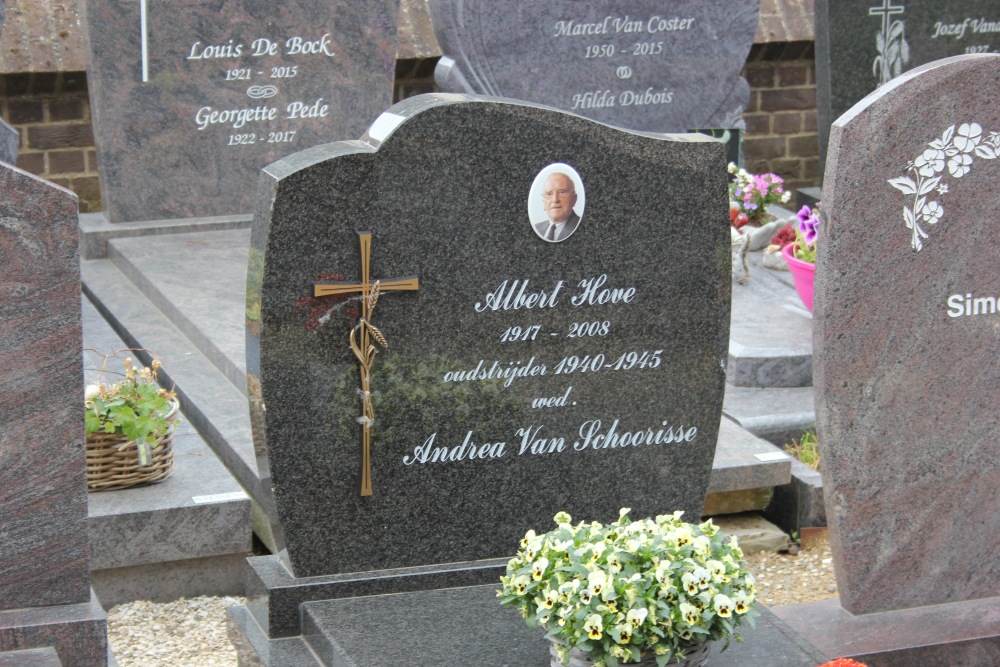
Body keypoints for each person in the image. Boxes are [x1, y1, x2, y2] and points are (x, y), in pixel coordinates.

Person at [533, 172, 581, 242]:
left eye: (562, 192)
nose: (555, 199)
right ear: (543, 201)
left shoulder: (581, 226)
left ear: (574, 199)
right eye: (549, 193)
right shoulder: (537, 228)